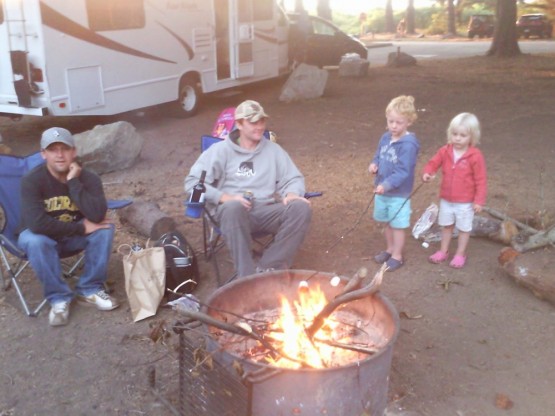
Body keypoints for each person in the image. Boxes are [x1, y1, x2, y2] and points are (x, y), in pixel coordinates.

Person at [185, 100, 312, 278]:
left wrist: (291, 193)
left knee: (300, 208)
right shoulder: (219, 151)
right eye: (253, 122)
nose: (259, 127)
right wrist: (224, 198)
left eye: (262, 121)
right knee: (233, 208)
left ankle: (268, 267)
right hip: (231, 214)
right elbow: (193, 183)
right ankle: (246, 277)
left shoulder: (273, 151)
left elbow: (293, 178)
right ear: (239, 124)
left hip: (265, 211)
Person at [18, 127, 119, 326]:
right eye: (53, 149)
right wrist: (81, 229)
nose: (60, 154)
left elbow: (98, 215)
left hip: (71, 237)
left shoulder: (89, 178)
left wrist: (73, 182)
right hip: (44, 238)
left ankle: (89, 289)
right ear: (43, 154)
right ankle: (59, 298)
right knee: (34, 240)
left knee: (104, 229)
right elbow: (37, 224)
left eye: (64, 148)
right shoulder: (31, 181)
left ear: (74, 152)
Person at [422, 113, 487, 269]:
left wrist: (479, 200)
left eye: (463, 135)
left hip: (465, 202)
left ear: (472, 137)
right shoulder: (445, 151)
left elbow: (481, 180)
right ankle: (443, 251)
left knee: (464, 228)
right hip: (446, 199)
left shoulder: (475, 156)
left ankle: (460, 253)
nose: (457, 138)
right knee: (446, 225)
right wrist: (427, 172)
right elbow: (433, 163)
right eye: (455, 134)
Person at [369, 95, 420, 272]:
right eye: (391, 121)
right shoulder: (385, 137)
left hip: (398, 194)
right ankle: (389, 249)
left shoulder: (408, 145)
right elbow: (379, 154)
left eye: (399, 122)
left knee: (397, 225)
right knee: (387, 222)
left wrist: (387, 185)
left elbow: (403, 171)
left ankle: (397, 255)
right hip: (382, 191)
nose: (394, 126)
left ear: (409, 122)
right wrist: (374, 164)